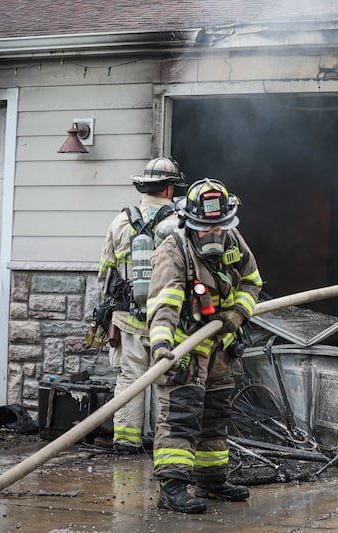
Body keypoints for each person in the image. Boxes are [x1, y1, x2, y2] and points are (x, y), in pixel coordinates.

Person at [147, 178, 263, 514]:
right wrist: (161, 350)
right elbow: (163, 306)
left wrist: (237, 314)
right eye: (204, 229)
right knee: (181, 417)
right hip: (184, 350)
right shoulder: (174, 251)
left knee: (215, 415)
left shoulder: (233, 239)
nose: (213, 235)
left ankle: (211, 480)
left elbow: (253, 281)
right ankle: (172, 488)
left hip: (221, 350)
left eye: (219, 228)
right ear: (189, 223)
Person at [97, 157, 184, 454]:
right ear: (170, 188)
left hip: (127, 318)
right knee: (166, 382)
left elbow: (105, 272)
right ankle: (163, 446)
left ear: (144, 186)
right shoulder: (181, 223)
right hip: (169, 319)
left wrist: (109, 311)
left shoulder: (119, 222)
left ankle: (125, 441)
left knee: (130, 379)